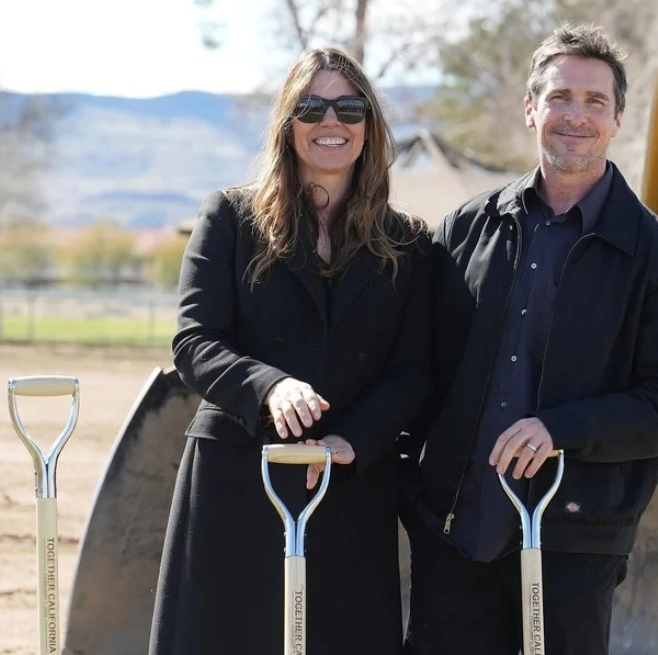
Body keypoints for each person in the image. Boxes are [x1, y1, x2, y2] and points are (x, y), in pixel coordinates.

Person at [398, 23, 658, 655]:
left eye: (595, 101)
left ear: (618, 119)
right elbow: (417, 369)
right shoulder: (466, 230)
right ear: (530, 109)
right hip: (458, 535)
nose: (576, 116)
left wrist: (560, 429)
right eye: (560, 97)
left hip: (575, 544)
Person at [149, 47, 431, 655]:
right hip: (238, 476)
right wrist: (270, 386)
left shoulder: (407, 241)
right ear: (287, 121)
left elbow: (414, 371)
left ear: (369, 125)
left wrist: (352, 440)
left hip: (349, 483)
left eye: (349, 108)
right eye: (311, 107)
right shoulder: (231, 217)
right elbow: (194, 341)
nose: (331, 122)